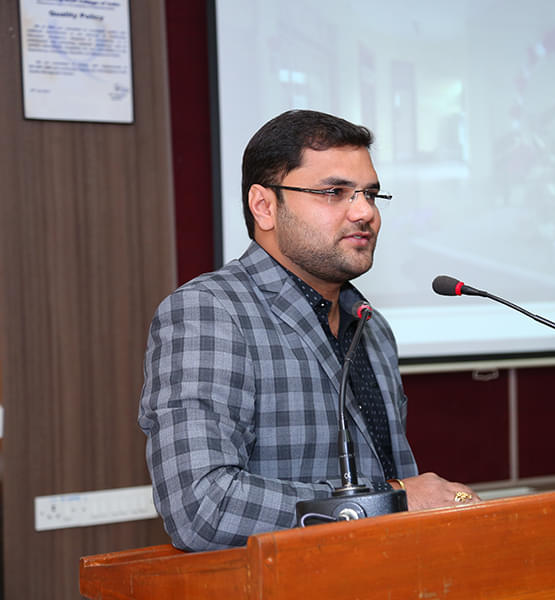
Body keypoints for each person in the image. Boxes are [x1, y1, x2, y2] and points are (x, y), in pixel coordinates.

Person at [139, 110, 479, 552]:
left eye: (370, 195)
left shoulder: (371, 327)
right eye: (334, 192)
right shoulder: (211, 312)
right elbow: (203, 507)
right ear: (264, 206)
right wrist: (390, 501)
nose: (364, 213)